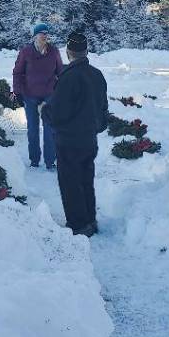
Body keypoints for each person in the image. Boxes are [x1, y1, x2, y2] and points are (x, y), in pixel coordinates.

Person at [41, 30, 108, 236]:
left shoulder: (68, 77)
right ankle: (90, 220)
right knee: (86, 180)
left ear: (68, 52)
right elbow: (102, 109)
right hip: (89, 138)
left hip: (70, 139)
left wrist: (44, 110)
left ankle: (79, 225)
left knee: (70, 183)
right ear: (86, 51)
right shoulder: (97, 75)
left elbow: (59, 112)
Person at [12, 23, 63, 170]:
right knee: (32, 129)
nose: (45, 36)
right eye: (42, 34)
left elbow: (60, 72)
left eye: (47, 34)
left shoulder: (54, 52)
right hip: (30, 95)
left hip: (49, 95)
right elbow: (17, 73)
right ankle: (34, 160)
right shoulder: (26, 52)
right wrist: (18, 92)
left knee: (50, 130)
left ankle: (50, 161)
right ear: (35, 36)